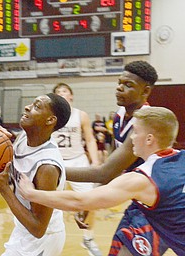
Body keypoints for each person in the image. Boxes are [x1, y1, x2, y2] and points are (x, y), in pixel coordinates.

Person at [19, 106, 184, 255]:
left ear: (149, 139)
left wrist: (31, 193)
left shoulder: (142, 179)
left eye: (135, 132)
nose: (131, 137)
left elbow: (80, 201)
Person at [60, 61, 169, 255]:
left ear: (145, 91)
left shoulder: (146, 121)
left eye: (128, 85)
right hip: (141, 204)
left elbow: (104, 173)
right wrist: (90, 202)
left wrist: (51, 167)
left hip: (165, 208)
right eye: (119, 82)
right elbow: (113, 168)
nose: (120, 87)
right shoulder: (119, 117)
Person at [0, 93, 71, 256]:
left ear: (50, 120)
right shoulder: (24, 138)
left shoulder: (46, 167)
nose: (27, 107)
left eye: (37, 106)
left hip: (42, 239)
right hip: (24, 232)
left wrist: (4, 189)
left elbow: (38, 228)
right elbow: (7, 161)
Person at [51, 83, 102, 256]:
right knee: (48, 203)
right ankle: (46, 240)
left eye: (64, 91)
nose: (61, 93)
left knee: (91, 201)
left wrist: (95, 161)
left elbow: (89, 139)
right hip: (55, 162)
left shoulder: (81, 115)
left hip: (78, 160)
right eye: (58, 92)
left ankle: (88, 238)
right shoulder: (50, 115)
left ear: (71, 96)